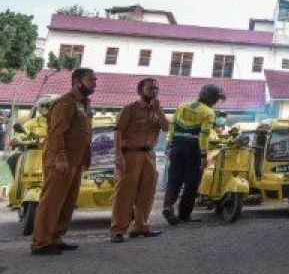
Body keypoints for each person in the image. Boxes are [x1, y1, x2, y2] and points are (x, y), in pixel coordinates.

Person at [30, 68, 96, 255]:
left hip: (75, 161)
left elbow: (84, 133)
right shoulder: (65, 102)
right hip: (61, 161)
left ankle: (56, 237)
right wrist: (60, 156)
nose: (94, 83)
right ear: (77, 81)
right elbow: (56, 132)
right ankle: (41, 242)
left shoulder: (84, 103)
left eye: (95, 80)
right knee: (52, 201)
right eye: (90, 80)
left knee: (67, 201)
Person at [110, 78, 168, 242]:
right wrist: (118, 155)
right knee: (125, 193)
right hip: (130, 154)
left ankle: (141, 227)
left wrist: (159, 111)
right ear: (140, 90)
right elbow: (118, 132)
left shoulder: (157, 110)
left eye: (156, 88)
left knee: (147, 192)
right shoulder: (129, 109)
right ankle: (118, 230)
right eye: (150, 88)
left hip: (149, 155)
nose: (154, 91)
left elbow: (166, 127)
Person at [163, 83, 225, 225]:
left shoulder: (182, 106)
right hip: (193, 149)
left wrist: (170, 145)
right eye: (217, 99)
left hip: (177, 147)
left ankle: (167, 206)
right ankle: (184, 215)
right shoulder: (208, 112)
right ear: (213, 98)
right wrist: (203, 156)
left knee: (174, 180)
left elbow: (172, 127)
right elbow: (203, 136)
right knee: (191, 183)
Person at [6, 95, 53, 177]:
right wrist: (16, 139)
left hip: (56, 153)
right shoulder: (32, 122)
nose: (45, 108)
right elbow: (22, 133)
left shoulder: (62, 123)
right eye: (42, 105)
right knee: (13, 159)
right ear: (38, 107)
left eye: (48, 105)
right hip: (33, 151)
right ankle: (19, 186)